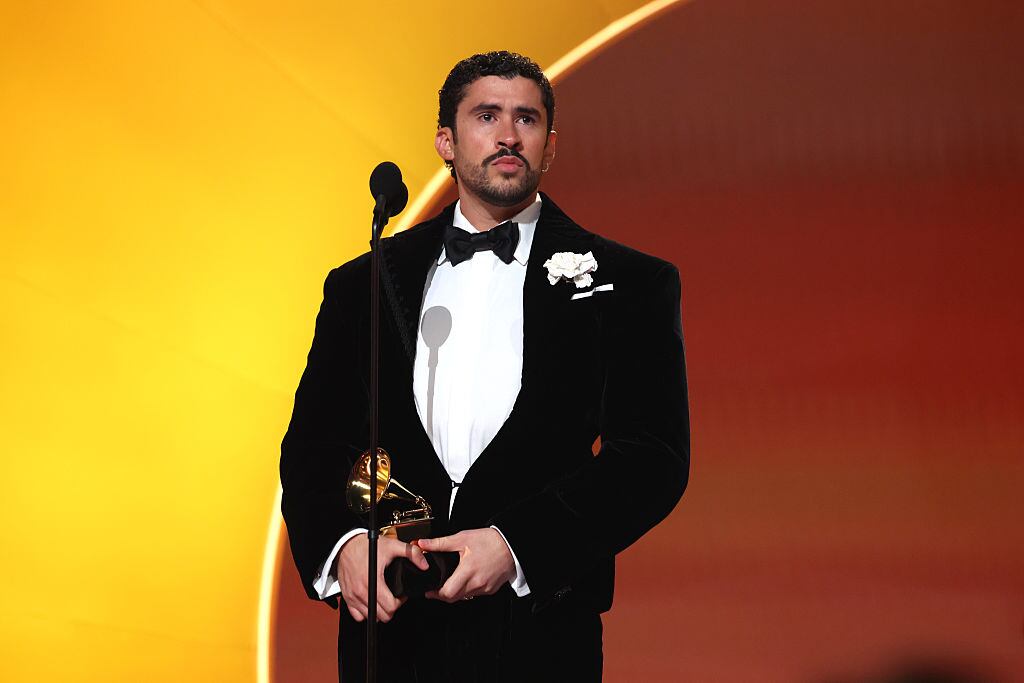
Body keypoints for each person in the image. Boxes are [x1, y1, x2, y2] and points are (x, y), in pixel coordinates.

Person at [280, 50, 689, 682]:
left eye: (526, 119)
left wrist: (517, 546)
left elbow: (652, 456)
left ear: (549, 147)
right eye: (487, 115)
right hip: (392, 639)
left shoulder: (628, 283)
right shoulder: (364, 282)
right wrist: (343, 549)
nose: (507, 135)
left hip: (540, 637)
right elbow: (314, 444)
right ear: (446, 140)